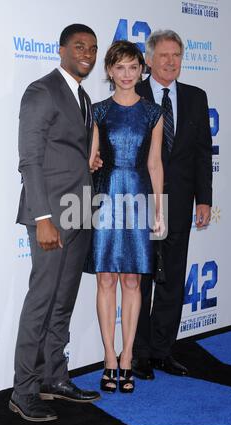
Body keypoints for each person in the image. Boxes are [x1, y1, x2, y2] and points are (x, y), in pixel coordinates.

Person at [10, 24, 102, 422]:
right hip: (51, 214)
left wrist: (87, 164)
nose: (88, 53)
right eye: (80, 46)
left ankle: (53, 378)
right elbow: (30, 159)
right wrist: (44, 218)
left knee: (62, 302)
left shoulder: (83, 97)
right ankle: (23, 390)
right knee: (41, 302)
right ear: (61, 50)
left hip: (79, 209)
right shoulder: (41, 90)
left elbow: (63, 152)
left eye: (93, 48)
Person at [85, 40, 164, 394]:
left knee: (132, 281)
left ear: (141, 70)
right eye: (120, 68)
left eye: (133, 67)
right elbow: (90, 159)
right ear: (110, 71)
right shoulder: (98, 111)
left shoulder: (153, 113)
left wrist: (159, 210)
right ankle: (108, 358)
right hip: (105, 197)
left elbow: (154, 163)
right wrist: (93, 161)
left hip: (138, 197)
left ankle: (128, 355)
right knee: (105, 281)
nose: (127, 74)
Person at [132, 30, 212, 380]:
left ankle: (164, 350)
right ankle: (140, 354)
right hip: (141, 203)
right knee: (142, 280)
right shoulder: (132, 94)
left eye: (176, 55)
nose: (170, 61)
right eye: (163, 55)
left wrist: (204, 199)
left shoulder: (196, 97)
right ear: (148, 59)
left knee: (173, 279)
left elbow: (202, 155)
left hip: (180, 205)